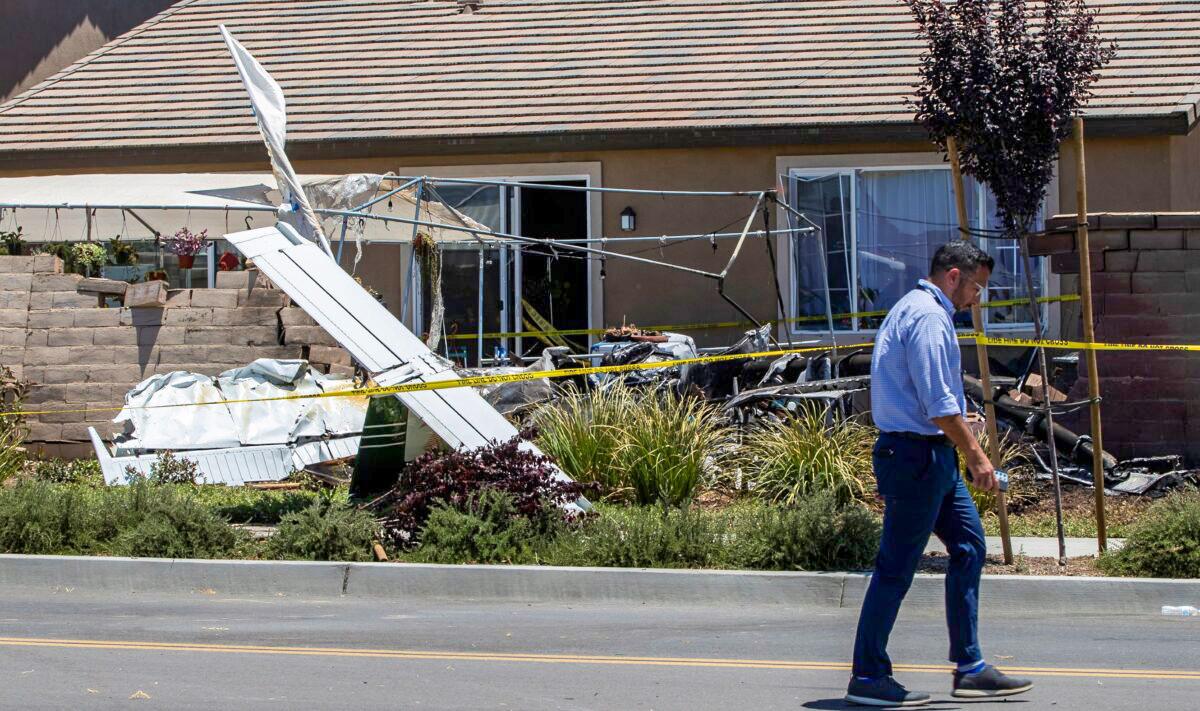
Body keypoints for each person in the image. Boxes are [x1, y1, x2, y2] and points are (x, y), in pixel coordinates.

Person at [844, 242, 1033, 707]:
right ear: (953, 276)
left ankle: (970, 667)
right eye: (975, 287)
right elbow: (937, 404)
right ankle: (867, 677)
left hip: (930, 455)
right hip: (915, 458)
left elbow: (931, 399)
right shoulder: (929, 317)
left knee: (970, 546)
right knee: (895, 568)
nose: (977, 297)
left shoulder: (920, 310)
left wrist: (956, 435)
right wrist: (978, 457)